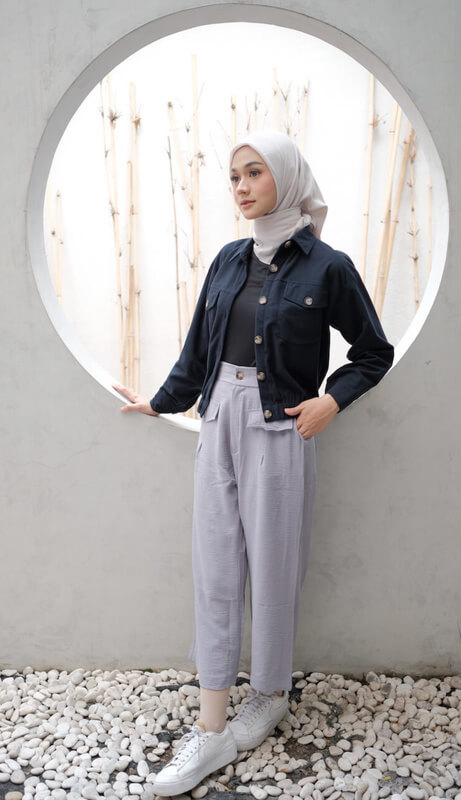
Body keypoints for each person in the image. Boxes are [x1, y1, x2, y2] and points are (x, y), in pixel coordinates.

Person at [113, 130, 394, 796]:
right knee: (215, 569)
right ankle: (211, 728)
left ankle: (269, 692)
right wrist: (160, 401)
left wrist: (331, 401)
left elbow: (372, 352)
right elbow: (197, 351)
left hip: (279, 428)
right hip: (218, 419)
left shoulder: (328, 268)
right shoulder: (228, 260)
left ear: (286, 178)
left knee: (274, 569)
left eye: (254, 173)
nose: (240, 186)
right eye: (234, 175)